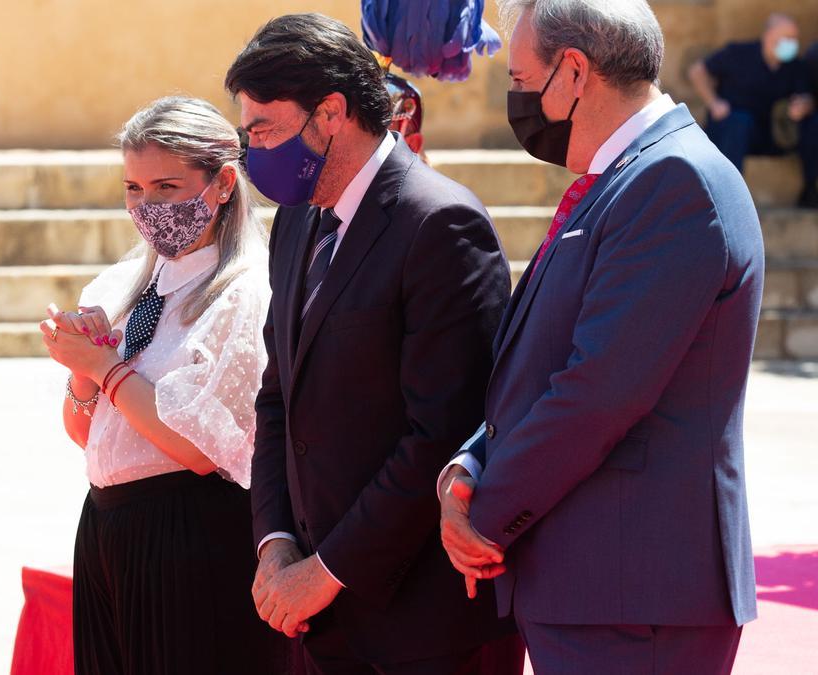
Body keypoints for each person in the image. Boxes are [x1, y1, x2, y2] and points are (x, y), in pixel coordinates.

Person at [439, 1, 763, 673]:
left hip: (635, 598)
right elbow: (540, 360)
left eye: (523, 78)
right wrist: (469, 466)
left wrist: (483, 514)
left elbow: (597, 392)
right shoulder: (626, 177)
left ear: (575, 72)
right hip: (602, 588)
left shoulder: (673, 181)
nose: (516, 96)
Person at [226, 13, 523, 674]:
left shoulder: (439, 222)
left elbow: (442, 433)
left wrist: (327, 570)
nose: (253, 153)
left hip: (420, 627)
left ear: (331, 113)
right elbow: (277, 399)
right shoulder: (297, 221)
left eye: (264, 129)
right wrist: (275, 544)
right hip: (317, 618)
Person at [40, 96, 286, 675]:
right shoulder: (126, 282)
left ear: (222, 184)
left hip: (188, 531)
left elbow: (202, 448)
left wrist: (106, 370)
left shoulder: (245, 292)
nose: (147, 206)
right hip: (107, 523)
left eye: (167, 187)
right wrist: (83, 369)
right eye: (133, 188)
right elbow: (85, 430)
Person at [689, 12, 818, 207]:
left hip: (772, 135)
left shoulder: (795, 67)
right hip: (733, 131)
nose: (792, 43)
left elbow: (807, 98)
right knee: (739, 122)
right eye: (787, 37)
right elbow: (697, 71)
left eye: (794, 39)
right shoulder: (738, 53)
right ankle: (726, 197)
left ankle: (810, 189)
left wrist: (803, 106)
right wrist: (714, 103)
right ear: (768, 35)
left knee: (813, 123)